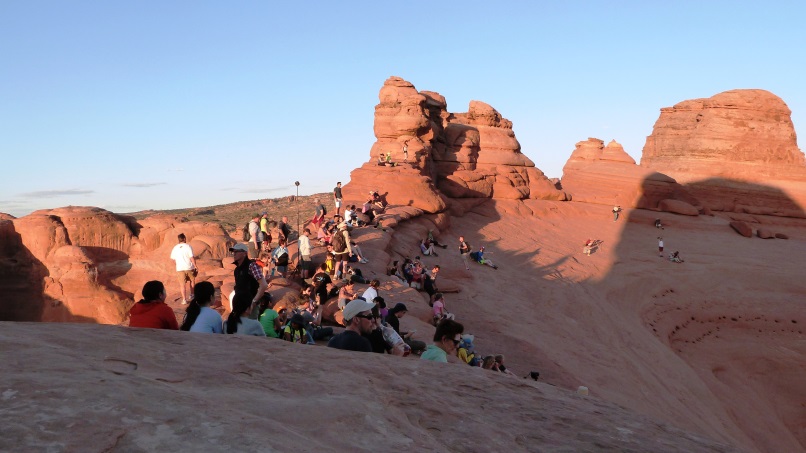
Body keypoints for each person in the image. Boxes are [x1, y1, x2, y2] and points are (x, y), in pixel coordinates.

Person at [229, 243, 269, 315]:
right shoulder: (237, 269)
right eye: (233, 252)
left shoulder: (252, 265)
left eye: (237, 251)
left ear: (244, 253)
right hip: (238, 304)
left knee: (250, 325)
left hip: (249, 306)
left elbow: (264, 285)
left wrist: (254, 302)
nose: (234, 254)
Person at [170, 233, 197, 305]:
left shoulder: (175, 248)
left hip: (179, 268)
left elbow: (173, 259)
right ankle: (192, 295)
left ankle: (184, 300)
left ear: (179, 240)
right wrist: (195, 266)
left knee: (182, 285)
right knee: (192, 280)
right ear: (184, 239)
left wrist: (177, 264)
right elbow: (191, 257)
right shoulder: (188, 246)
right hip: (189, 267)